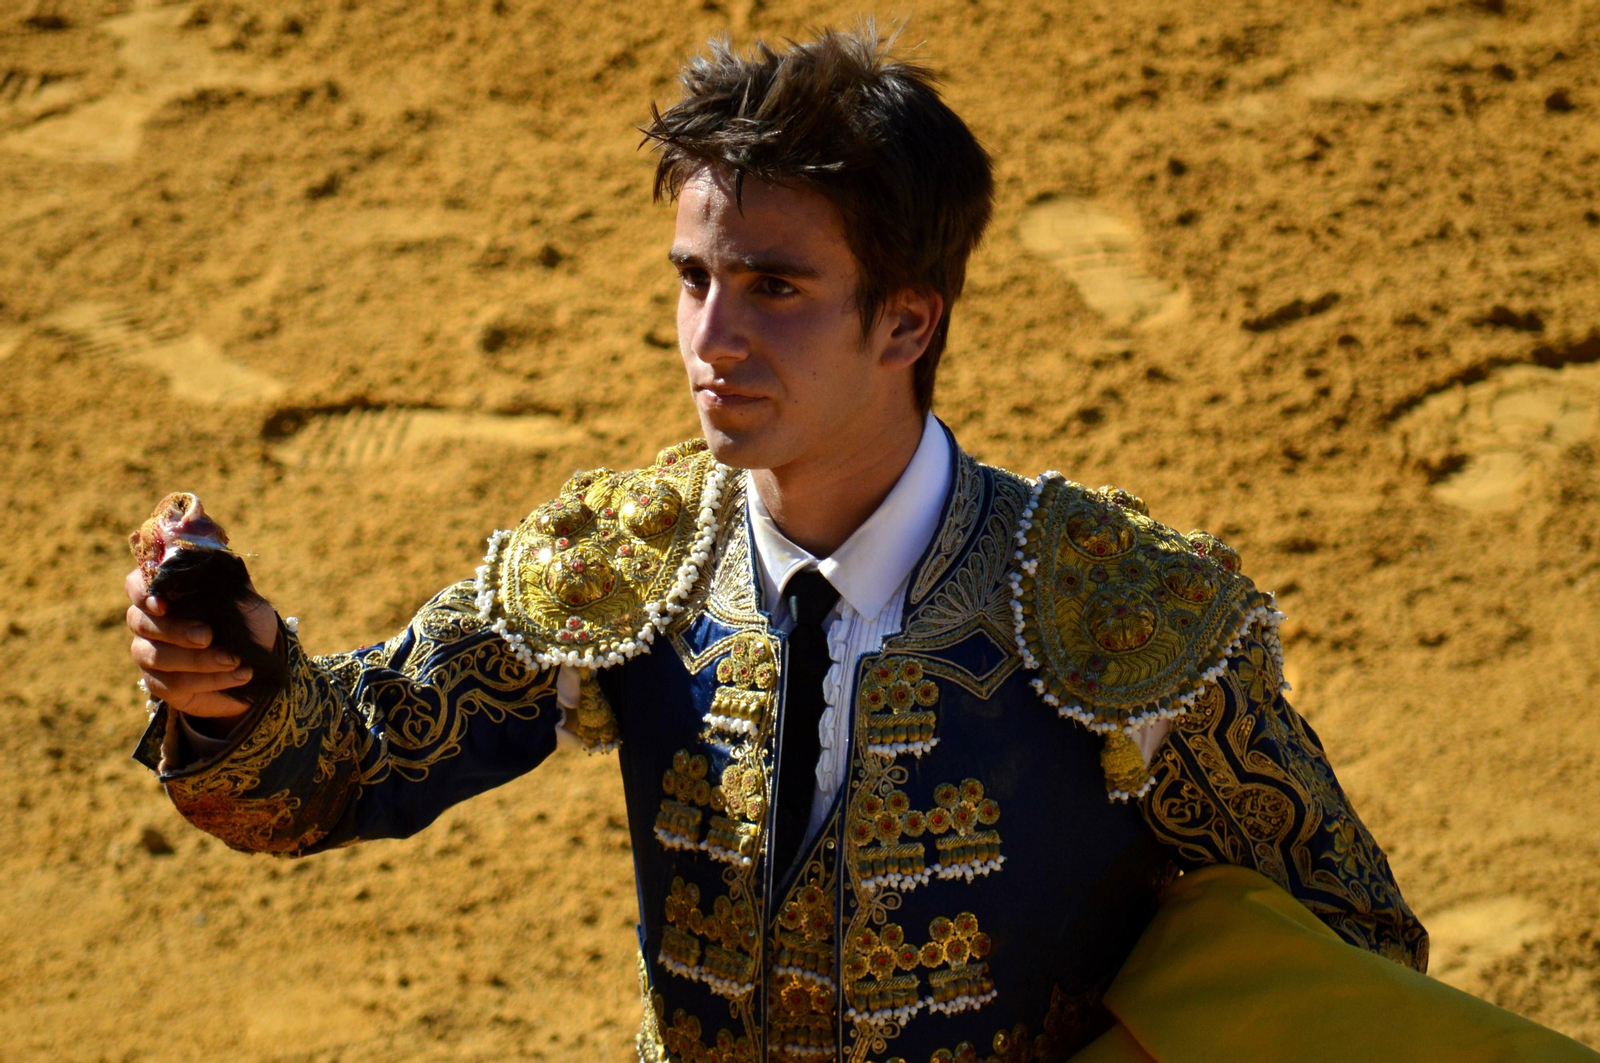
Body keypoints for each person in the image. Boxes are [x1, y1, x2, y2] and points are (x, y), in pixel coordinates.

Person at [125, 28, 1429, 1063]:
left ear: (907, 324)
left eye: (776, 287)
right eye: (695, 277)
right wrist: (236, 683)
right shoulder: (628, 562)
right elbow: (338, 771)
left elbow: (1351, 952)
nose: (711, 340)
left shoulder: (1109, 606)